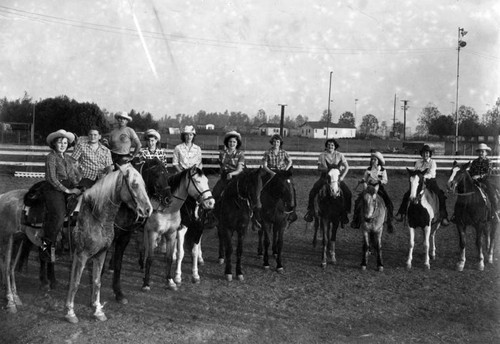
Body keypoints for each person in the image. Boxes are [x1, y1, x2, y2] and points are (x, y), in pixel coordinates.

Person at [41, 129, 82, 261]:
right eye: (60, 142)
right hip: (54, 188)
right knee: (58, 215)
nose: (63, 145)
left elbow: (72, 176)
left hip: (68, 186)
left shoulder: (68, 158)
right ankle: (45, 248)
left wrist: (78, 185)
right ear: (54, 144)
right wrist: (68, 191)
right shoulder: (51, 157)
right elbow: (52, 178)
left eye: (65, 142)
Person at [395, 144, 449, 226]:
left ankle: (444, 217)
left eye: (427, 153)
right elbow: (414, 172)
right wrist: (416, 178)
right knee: (407, 194)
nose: (425, 155)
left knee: (440, 195)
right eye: (424, 153)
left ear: (429, 154)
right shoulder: (418, 162)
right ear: (422, 154)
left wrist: (422, 177)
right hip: (419, 183)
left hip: (430, 182)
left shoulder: (432, 162)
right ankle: (401, 213)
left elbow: (431, 174)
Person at [303, 138, 351, 227]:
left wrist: (342, 177)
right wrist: (328, 169)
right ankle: (311, 211)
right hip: (324, 177)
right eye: (328, 145)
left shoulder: (340, 155)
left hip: (336, 178)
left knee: (348, 193)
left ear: (335, 146)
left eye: (332, 145)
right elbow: (319, 168)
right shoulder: (322, 155)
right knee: (313, 191)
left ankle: (344, 214)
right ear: (326, 146)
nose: (330, 146)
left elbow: (347, 167)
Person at [351, 150, 394, 232]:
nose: (372, 161)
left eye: (374, 159)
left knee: (389, 203)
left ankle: (389, 222)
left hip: (379, 188)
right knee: (358, 202)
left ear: (379, 161)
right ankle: (356, 220)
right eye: (372, 159)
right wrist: (362, 180)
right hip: (368, 188)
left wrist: (380, 181)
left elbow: (385, 180)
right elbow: (365, 178)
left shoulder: (382, 170)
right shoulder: (368, 169)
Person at [261, 134, 297, 223]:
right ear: (271, 143)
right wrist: (271, 172)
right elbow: (264, 165)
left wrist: (286, 169)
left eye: (277, 142)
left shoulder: (283, 152)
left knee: (291, 187)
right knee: (261, 186)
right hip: (271, 172)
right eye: (274, 142)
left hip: (282, 173)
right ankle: (259, 206)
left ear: (280, 143)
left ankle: (291, 209)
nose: (276, 143)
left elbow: (290, 161)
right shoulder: (267, 152)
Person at [212, 131, 245, 200]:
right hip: (224, 177)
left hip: (236, 177)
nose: (232, 144)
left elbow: (239, 169)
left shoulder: (240, 154)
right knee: (215, 193)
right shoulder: (222, 153)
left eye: (234, 142)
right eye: (230, 141)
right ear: (227, 142)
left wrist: (232, 173)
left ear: (237, 143)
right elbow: (222, 167)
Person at [468, 143, 498, 214]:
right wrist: (470, 176)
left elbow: (488, 173)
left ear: (486, 153)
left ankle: (496, 210)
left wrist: (478, 176)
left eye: (482, 151)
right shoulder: (474, 162)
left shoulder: (488, 162)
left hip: (485, 181)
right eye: (479, 151)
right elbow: (470, 171)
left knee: (492, 194)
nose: (481, 153)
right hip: (474, 181)